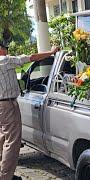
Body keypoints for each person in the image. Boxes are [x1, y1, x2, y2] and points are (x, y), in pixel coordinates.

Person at [0, 43, 59, 180]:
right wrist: (51, 52)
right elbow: (31, 57)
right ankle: (6, 177)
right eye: (5, 48)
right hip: (7, 104)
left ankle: (3, 173)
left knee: (3, 138)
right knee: (12, 142)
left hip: (2, 106)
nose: (7, 51)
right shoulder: (4, 61)